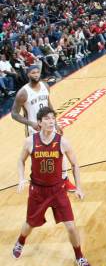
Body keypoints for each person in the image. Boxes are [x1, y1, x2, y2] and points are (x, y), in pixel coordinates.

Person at [12, 107, 91, 266]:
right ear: (39, 123)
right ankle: (20, 241)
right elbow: (20, 160)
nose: (50, 121)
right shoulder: (30, 141)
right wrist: (21, 178)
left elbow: (75, 164)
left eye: (52, 118)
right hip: (38, 191)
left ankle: (79, 256)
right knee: (30, 224)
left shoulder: (62, 141)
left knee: (71, 226)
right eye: (46, 119)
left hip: (57, 190)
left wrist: (78, 187)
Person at [11, 64, 77, 192]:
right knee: (38, 158)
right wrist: (32, 123)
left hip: (49, 125)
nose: (36, 74)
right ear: (28, 75)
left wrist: (55, 122)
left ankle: (64, 180)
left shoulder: (45, 86)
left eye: (37, 72)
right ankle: (38, 181)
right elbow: (14, 114)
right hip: (34, 130)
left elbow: (49, 104)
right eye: (33, 73)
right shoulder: (23, 93)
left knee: (59, 152)